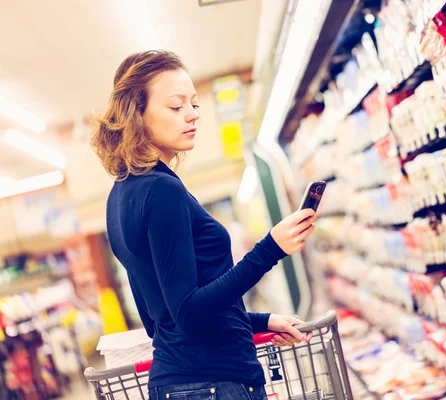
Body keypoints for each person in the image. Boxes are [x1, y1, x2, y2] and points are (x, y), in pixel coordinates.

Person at [91, 50, 318, 400]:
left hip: (184, 384)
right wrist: (271, 248)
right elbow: (188, 314)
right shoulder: (161, 190)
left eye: (194, 104)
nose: (192, 115)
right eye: (176, 106)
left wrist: (260, 321)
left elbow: (159, 320)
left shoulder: (119, 196)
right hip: (212, 384)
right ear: (137, 113)